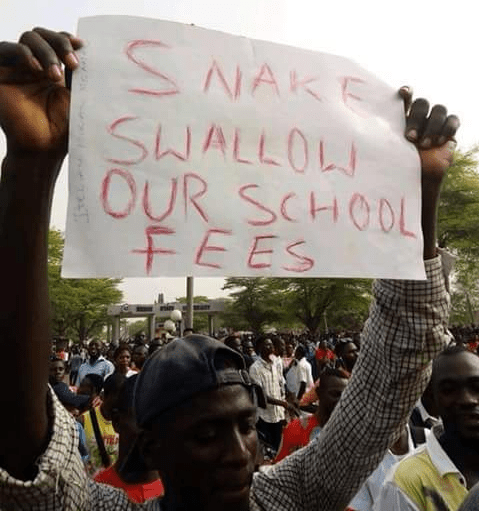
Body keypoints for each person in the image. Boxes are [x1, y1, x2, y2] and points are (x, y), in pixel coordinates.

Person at [0, 27, 458, 511]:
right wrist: (32, 164)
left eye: (244, 425)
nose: (240, 454)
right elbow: (33, 463)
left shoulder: (285, 496)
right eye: (205, 435)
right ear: (151, 445)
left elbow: (393, 372)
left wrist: (417, 193)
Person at [375, 345, 479, 510]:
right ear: (431, 397)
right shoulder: (406, 481)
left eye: (476, 387)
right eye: (449, 390)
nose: (468, 400)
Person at [94, 375, 165, 504]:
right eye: (143, 421)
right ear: (116, 421)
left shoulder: (179, 494)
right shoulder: (96, 496)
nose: (155, 431)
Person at [275, 367, 350, 462]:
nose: (341, 400)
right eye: (335, 394)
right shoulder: (295, 429)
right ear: (319, 393)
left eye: (345, 394)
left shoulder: (349, 431)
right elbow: (280, 468)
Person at [249, 336, 295, 454]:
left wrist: (289, 398)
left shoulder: (276, 364)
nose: (271, 347)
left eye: (271, 345)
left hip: (278, 415)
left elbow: (281, 385)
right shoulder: (255, 368)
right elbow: (262, 396)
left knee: (278, 446)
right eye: (267, 345)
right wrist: (284, 404)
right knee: (268, 449)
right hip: (265, 416)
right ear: (259, 348)